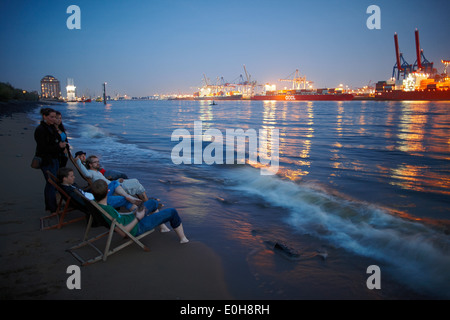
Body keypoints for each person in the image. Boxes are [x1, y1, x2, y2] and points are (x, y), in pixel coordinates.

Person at [91, 180, 186, 241]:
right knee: (172, 212)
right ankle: (183, 239)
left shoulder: (96, 203)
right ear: (108, 192)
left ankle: (163, 228)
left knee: (152, 202)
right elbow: (123, 232)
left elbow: (117, 217)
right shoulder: (108, 210)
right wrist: (137, 217)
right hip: (137, 226)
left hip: (131, 218)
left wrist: (132, 214)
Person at [57, 167, 162, 217]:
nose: (74, 177)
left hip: (97, 196)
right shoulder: (70, 191)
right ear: (64, 178)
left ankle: (130, 197)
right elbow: (84, 203)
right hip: (98, 202)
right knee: (123, 199)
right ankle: (142, 214)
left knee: (114, 184)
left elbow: (84, 194)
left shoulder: (71, 185)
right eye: (71, 176)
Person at [34, 108, 67, 214]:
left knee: (53, 184)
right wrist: (59, 146)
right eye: (51, 117)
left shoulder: (50, 128)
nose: (54, 119)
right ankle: (52, 208)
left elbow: (57, 140)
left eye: (55, 117)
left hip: (55, 159)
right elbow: (43, 148)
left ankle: (52, 206)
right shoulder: (41, 130)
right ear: (44, 116)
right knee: (51, 184)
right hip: (47, 160)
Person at [75, 154, 148, 201]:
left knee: (136, 181)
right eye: (95, 162)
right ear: (90, 164)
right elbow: (86, 173)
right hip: (111, 189)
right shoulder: (90, 173)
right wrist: (78, 161)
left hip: (114, 184)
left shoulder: (97, 172)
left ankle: (144, 202)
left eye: (98, 161)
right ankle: (146, 204)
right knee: (137, 184)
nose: (98, 163)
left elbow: (106, 180)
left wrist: (117, 180)